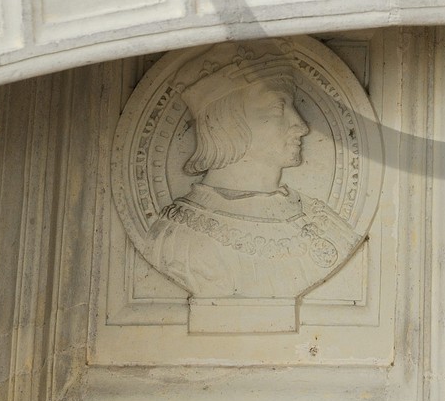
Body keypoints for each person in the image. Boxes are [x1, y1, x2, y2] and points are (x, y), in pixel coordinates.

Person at [143, 49, 361, 301]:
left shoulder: (318, 216)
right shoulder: (177, 242)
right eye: (278, 107)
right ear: (226, 121)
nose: (302, 126)